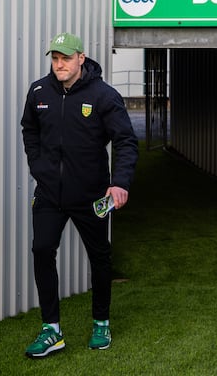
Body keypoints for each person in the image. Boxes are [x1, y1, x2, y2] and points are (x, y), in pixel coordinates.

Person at [20, 33, 138, 357]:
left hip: (91, 195)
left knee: (100, 257)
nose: (59, 64)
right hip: (49, 194)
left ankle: (101, 321)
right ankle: (51, 330)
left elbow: (126, 140)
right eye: (55, 58)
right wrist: (38, 166)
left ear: (81, 59)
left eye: (65, 58)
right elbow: (29, 129)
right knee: (42, 250)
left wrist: (120, 183)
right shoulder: (39, 91)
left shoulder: (104, 96)